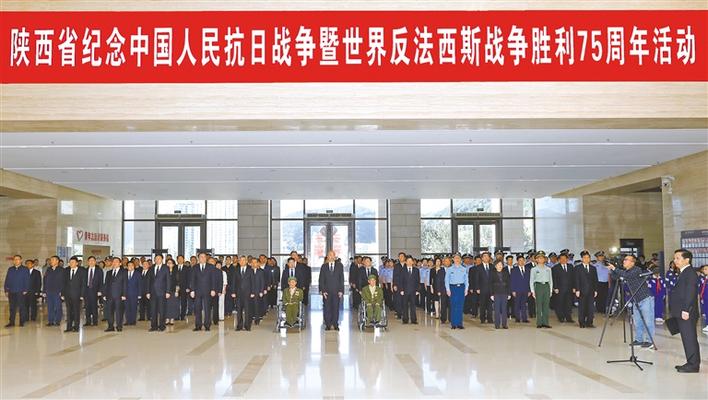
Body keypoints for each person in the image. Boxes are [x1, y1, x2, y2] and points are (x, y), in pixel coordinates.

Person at [607, 254, 655, 348]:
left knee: (648, 321)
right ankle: (639, 339)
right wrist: (612, 270)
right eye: (624, 260)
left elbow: (626, 275)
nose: (624, 261)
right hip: (635, 299)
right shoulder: (626, 271)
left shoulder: (636, 270)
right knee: (637, 321)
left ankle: (650, 341)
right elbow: (616, 277)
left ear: (632, 262)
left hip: (645, 298)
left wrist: (614, 268)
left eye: (626, 260)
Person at [670, 249, 700, 373]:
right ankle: (690, 362)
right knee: (687, 338)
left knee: (689, 338)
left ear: (687, 260)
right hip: (682, 311)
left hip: (687, 312)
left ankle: (693, 365)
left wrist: (686, 310)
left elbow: (690, 293)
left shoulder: (690, 273)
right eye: (674, 258)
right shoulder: (684, 272)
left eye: (678, 258)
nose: (675, 260)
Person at [190, 252, 217, 331]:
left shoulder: (211, 267)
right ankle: (198, 326)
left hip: (207, 291)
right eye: (201, 257)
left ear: (206, 258)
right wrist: (192, 290)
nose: (202, 258)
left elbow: (213, 279)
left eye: (204, 257)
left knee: (207, 308)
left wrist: (213, 289)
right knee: (197, 309)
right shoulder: (195, 267)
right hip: (197, 291)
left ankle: (207, 325)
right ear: (198, 258)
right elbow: (192, 279)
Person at [319, 250, 344, 331]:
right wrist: (322, 291)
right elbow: (321, 279)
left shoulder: (339, 266)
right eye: (330, 255)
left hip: (337, 291)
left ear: (335, 256)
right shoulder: (324, 266)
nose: (332, 256)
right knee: (327, 308)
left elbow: (341, 279)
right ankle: (328, 324)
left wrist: (341, 290)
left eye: (333, 255)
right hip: (327, 291)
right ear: (327, 257)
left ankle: (335, 324)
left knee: (336, 308)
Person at [230, 255, 255, 331]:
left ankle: (247, 326)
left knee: (247, 310)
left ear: (246, 261)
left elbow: (253, 282)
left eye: (244, 260)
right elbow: (233, 282)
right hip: (238, 294)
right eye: (241, 260)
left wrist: (253, 292)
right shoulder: (236, 270)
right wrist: (233, 292)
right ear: (239, 261)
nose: (242, 262)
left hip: (248, 293)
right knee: (239, 310)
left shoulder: (250, 270)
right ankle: (239, 326)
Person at [103, 257, 127, 332]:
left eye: (116, 262)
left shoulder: (124, 272)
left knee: (119, 312)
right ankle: (110, 326)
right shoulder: (109, 273)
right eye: (113, 262)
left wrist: (124, 295)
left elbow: (125, 284)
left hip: (119, 295)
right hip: (109, 295)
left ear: (120, 263)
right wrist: (104, 294)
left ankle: (119, 326)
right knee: (109, 311)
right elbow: (106, 284)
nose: (114, 263)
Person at [4, 255, 29, 327]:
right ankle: (11, 322)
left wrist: (26, 289)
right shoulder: (10, 269)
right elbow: (7, 280)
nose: (16, 261)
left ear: (21, 260)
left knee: (21, 307)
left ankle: (22, 322)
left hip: (21, 291)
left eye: (17, 259)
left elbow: (27, 280)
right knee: (12, 308)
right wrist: (6, 290)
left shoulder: (25, 269)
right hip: (11, 291)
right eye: (14, 259)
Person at [62, 256, 86, 332]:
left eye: (73, 262)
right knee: (69, 311)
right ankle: (69, 327)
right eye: (70, 262)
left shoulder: (82, 271)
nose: (71, 263)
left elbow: (83, 284)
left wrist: (82, 295)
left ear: (76, 263)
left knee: (76, 311)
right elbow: (63, 283)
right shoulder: (66, 271)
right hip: (67, 294)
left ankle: (76, 327)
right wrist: (63, 294)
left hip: (77, 295)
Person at [576, 250, 599, 328]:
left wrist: (596, 290)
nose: (586, 259)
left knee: (590, 308)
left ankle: (589, 322)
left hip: (591, 291)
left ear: (590, 259)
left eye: (588, 258)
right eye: (584, 257)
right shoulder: (578, 268)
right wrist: (577, 290)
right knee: (582, 307)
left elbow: (595, 280)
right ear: (582, 259)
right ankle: (581, 322)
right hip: (582, 291)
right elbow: (576, 279)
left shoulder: (593, 268)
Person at [530, 251, 553, 329]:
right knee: (539, 305)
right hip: (538, 286)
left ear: (545, 259)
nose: (541, 259)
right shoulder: (534, 269)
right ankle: (539, 322)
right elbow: (531, 281)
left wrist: (550, 290)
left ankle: (545, 322)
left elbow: (550, 280)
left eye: (542, 258)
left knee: (546, 305)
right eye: (539, 258)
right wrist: (532, 291)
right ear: (536, 259)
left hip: (546, 286)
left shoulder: (548, 269)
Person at [444, 254, 467, 329]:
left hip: (461, 288)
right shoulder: (449, 269)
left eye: (458, 258)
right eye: (455, 258)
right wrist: (448, 289)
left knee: (460, 306)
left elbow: (466, 280)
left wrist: (466, 289)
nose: (457, 259)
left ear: (461, 259)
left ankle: (460, 324)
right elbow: (446, 280)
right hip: (452, 288)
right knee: (453, 306)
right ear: (453, 259)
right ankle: (453, 324)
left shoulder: (464, 269)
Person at [148, 255, 170, 332]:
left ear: (162, 259)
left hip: (162, 292)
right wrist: (148, 292)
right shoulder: (151, 268)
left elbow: (168, 280)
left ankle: (162, 326)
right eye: (156, 259)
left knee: (162, 310)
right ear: (154, 260)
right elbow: (148, 281)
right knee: (153, 310)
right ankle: (153, 326)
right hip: (153, 292)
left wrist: (168, 291)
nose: (157, 260)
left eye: (159, 258)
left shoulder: (165, 268)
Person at [552, 253, 575, 323]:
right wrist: (555, 288)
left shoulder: (571, 267)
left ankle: (568, 317)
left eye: (564, 259)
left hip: (569, 289)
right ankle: (561, 317)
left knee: (568, 304)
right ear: (559, 260)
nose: (563, 260)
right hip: (559, 289)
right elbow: (554, 278)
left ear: (567, 259)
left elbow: (573, 278)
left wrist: (574, 287)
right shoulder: (555, 268)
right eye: (561, 259)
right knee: (559, 303)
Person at [42, 255, 64, 326]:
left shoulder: (62, 270)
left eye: (53, 260)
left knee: (58, 307)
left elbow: (64, 282)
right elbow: (45, 280)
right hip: (49, 291)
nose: (51, 261)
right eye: (51, 260)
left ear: (57, 261)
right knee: (50, 307)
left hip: (57, 291)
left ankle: (57, 321)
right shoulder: (48, 269)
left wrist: (62, 292)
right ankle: (50, 321)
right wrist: (44, 291)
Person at [399, 255, 420, 324]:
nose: (409, 262)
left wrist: (417, 290)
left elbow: (418, 281)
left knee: (413, 306)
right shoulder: (402, 270)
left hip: (413, 291)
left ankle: (414, 320)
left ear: (413, 262)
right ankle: (405, 320)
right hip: (405, 291)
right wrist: (401, 290)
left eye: (411, 261)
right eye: (408, 261)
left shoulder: (416, 270)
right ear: (406, 262)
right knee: (404, 306)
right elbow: (400, 281)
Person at [510, 254, 531, 323]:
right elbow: (512, 280)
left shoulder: (528, 269)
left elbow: (529, 281)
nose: (521, 262)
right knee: (517, 304)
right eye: (520, 260)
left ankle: (524, 318)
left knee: (524, 304)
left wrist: (529, 290)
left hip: (525, 290)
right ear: (517, 262)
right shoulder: (514, 270)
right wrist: (513, 290)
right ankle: (517, 318)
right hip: (517, 290)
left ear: (524, 261)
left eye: (522, 260)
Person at [491, 260, 511, 329]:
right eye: (498, 265)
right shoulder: (492, 273)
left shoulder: (506, 273)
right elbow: (490, 284)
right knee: (497, 309)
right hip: (496, 293)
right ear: (495, 266)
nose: (500, 266)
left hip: (504, 292)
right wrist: (491, 294)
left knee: (504, 309)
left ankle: (504, 324)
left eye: (501, 265)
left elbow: (509, 283)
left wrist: (509, 293)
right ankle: (497, 324)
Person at [84, 256, 104, 326]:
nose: (91, 262)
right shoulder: (85, 270)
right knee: (87, 306)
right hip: (86, 290)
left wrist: (100, 291)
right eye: (90, 261)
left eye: (93, 261)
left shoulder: (99, 270)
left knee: (94, 306)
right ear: (88, 262)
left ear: (95, 262)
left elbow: (101, 281)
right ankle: (88, 321)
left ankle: (95, 321)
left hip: (95, 290)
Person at [475, 252, 494, 324]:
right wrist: (477, 288)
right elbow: (476, 279)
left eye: (487, 256)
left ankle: (490, 319)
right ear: (482, 258)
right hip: (482, 289)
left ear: (489, 258)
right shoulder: (478, 267)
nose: (486, 258)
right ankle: (482, 318)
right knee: (482, 304)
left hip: (491, 289)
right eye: (484, 256)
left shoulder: (492, 266)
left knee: (490, 305)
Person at [125, 260, 141, 325]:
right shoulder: (124, 273)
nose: (130, 266)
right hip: (126, 294)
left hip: (134, 294)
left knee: (133, 307)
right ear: (127, 267)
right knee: (127, 308)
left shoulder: (137, 273)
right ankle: (128, 321)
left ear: (134, 266)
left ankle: (133, 321)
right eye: (129, 265)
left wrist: (139, 294)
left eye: (132, 265)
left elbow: (140, 284)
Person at [176, 255, 191, 321]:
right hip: (176, 288)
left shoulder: (187, 268)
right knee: (176, 302)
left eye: (181, 259)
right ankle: (176, 316)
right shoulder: (174, 267)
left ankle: (183, 315)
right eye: (178, 259)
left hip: (184, 288)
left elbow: (189, 278)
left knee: (183, 302)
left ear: (183, 260)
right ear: (177, 260)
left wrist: (188, 287)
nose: (180, 260)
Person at [165, 258, 180, 325]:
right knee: (166, 305)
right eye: (168, 263)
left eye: (170, 263)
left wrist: (177, 291)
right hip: (166, 291)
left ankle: (172, 319)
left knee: (173, 305)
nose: (169, 264)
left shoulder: (176, 272)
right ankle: (167, 318)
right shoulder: (164, 271)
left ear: (173, 264)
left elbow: (178, 282)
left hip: (173, 290)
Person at [699, 265, 708, 334]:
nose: (704, 270)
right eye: (704, 269)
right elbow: (703, 288)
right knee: (706, 311)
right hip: (705, 297)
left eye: (706, 269)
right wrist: (701, 297)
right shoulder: (705, 278)